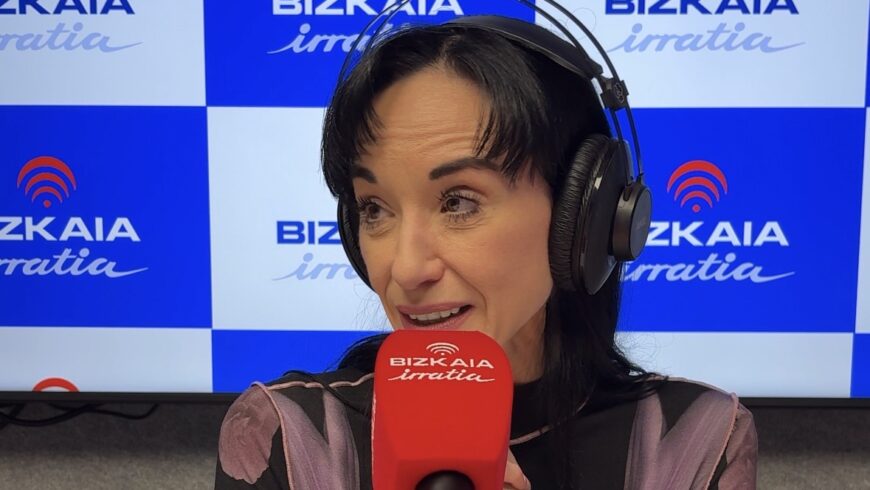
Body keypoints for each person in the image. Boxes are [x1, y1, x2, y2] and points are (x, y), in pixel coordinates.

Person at [215, 13, 758, 490]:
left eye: (458, 202)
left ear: (584, 223)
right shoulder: (285, 438)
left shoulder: (697, 443)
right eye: (374, 208)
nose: (405, 268)